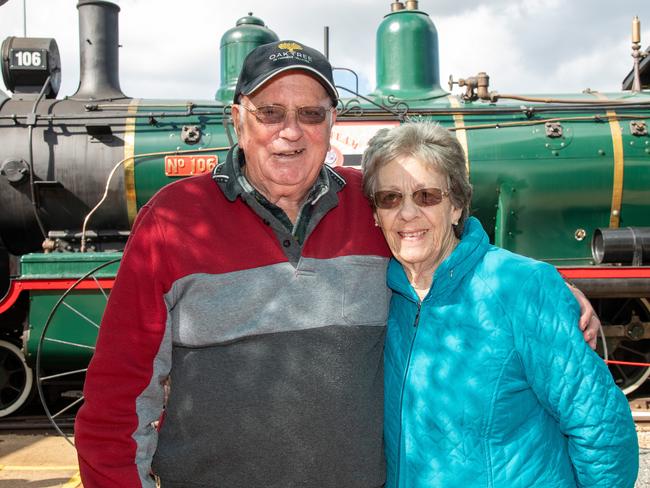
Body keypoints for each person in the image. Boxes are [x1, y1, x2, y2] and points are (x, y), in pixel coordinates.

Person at [74, 40, 601, 488]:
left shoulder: (374, 205)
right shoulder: (174, 219)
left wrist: (553, 292)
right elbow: (117, 399)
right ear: (237, 119)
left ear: (333, 123)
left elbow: (456, 257)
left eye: (310, 114)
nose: (290, 131)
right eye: (270, 113)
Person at [361, 121, 638, 488]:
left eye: (427, 196)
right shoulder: (379, 296)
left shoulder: (521, 287)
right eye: (390, 198)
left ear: (457, 204)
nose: (407, 213)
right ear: (376, 215)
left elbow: (601, 427)